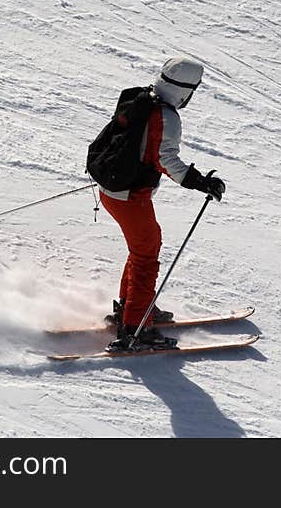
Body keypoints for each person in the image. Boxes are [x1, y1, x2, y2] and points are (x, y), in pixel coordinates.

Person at [97, 56, 226, 349]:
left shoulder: (142, 99)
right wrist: (200, 182)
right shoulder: (165, 117)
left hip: (112, 190)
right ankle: (135, 329)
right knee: (146, 255)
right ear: (184, 90)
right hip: (130, 197)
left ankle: (131, 309)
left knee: (144, 247)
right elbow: (165, 159)